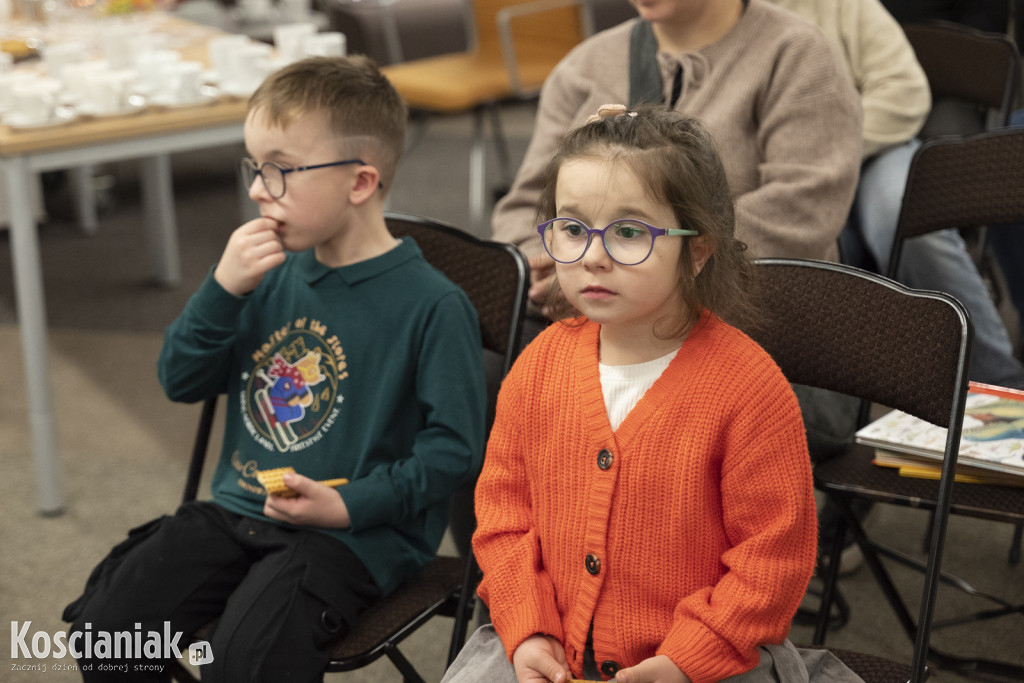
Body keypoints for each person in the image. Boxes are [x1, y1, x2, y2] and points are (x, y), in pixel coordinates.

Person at [61, 56, 486, 682]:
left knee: (248, 661)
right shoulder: (263, 273)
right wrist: (220, 290)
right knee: (108, 635)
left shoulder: (434, 306)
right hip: (239, 510)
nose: (258, 189)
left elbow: (454, 452)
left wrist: (348, 507)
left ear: (360, 183)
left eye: (280, 170)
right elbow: (178, 380)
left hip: (354, 535)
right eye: (254, 167)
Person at [443, 106, 864, 683]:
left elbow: (771, 561)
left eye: (629, 232)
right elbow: (504, 517)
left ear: (697, 250)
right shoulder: (539, 364)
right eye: (572, 228)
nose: (592, 255)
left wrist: (685, 661)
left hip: (706, 659)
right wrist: (528, 626)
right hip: (550, 644)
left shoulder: (748, 387)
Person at [491, 0, 862, 314]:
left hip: (747, 325)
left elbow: (803, 207)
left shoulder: (795, 52)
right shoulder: (583, 67)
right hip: (591, 331)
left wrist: (661, 268)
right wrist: (552, 266)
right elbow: (527, 205)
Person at [771, 0, 1024, 390]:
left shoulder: (842, 6)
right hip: (777, 172)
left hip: (870, 146)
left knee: (902, 214)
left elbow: (903, 90)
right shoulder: (710, 21)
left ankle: (1001, 385)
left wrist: (825, 151)